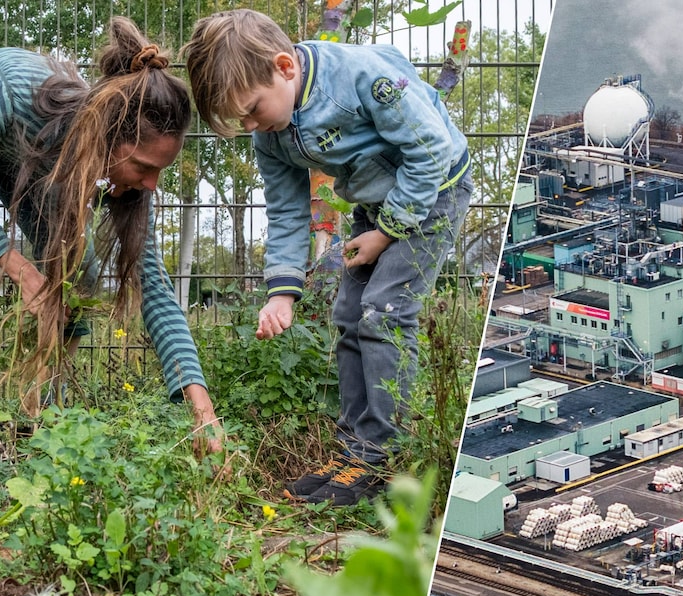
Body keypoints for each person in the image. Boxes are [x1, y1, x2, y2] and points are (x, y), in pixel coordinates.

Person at [183, 9, 472, 505]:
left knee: (384, 310)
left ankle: (385, 454)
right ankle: (353, 448)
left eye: (252, 109)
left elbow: (431, 150)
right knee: (348, 314)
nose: (251, 125)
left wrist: (386, 232)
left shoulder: (362, 75)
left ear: (284, 67)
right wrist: (282, 294)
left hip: (434, 194)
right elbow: (287, 211)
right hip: (376, 206)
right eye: (241, 120)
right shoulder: (270, 135)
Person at [0, 17, 223, 460]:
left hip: (26, 158)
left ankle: (45, 418)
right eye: (145, 168)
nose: (152, 184)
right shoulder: (6, 97)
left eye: (159, 172)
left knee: (81, 272)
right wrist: (22, 271)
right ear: (111, 140)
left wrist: (202, 410)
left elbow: (156, 289)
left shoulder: (110, 166)